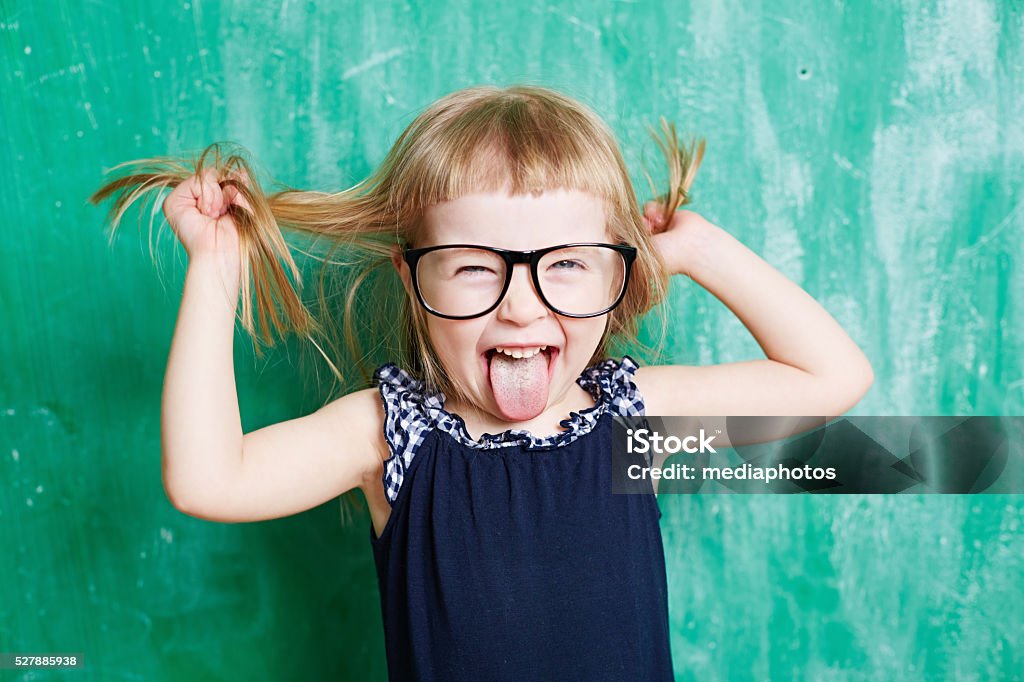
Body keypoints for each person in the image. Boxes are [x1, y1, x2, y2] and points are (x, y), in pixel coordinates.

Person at [91, 84, 873, 680]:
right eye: (473, 267)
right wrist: (216, 269)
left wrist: (700, 248)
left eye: (566, 263)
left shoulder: (637, 419)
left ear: (616, 268)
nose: (521, 305)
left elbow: (831, 377)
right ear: (411, 276)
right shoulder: (387, 434)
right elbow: (208, 480)